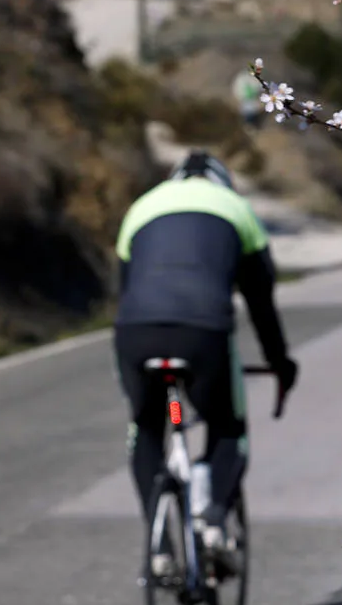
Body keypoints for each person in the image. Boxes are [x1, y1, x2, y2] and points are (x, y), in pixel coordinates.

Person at [113, 150, 298, 571]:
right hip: (202, 332)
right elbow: (261, 302)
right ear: (222, 182)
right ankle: (211, 514)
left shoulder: (141, 206)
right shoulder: (237, 208)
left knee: (147, 425)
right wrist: (280, 362)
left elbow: (125, 286)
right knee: (228, 426)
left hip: (136, 332)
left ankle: (159, 544)